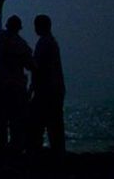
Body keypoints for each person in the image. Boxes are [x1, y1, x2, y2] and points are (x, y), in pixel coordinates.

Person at [0, 0, 33, 152]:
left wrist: (1, 2)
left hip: (0, 86)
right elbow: (31, 66)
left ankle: (0, 151)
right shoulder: (22, 45)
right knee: (16, 123)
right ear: (19, 28)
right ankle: (15, 151)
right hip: (16, 88)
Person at [29, 14, 65, 156]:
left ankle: (37, 154)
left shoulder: (44, 43)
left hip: (46, 91)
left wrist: (31, 88)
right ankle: (57, 153)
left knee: (37, 125)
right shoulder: (52, 43)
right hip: (54, 90)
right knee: (55, 126)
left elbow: (37, 68)